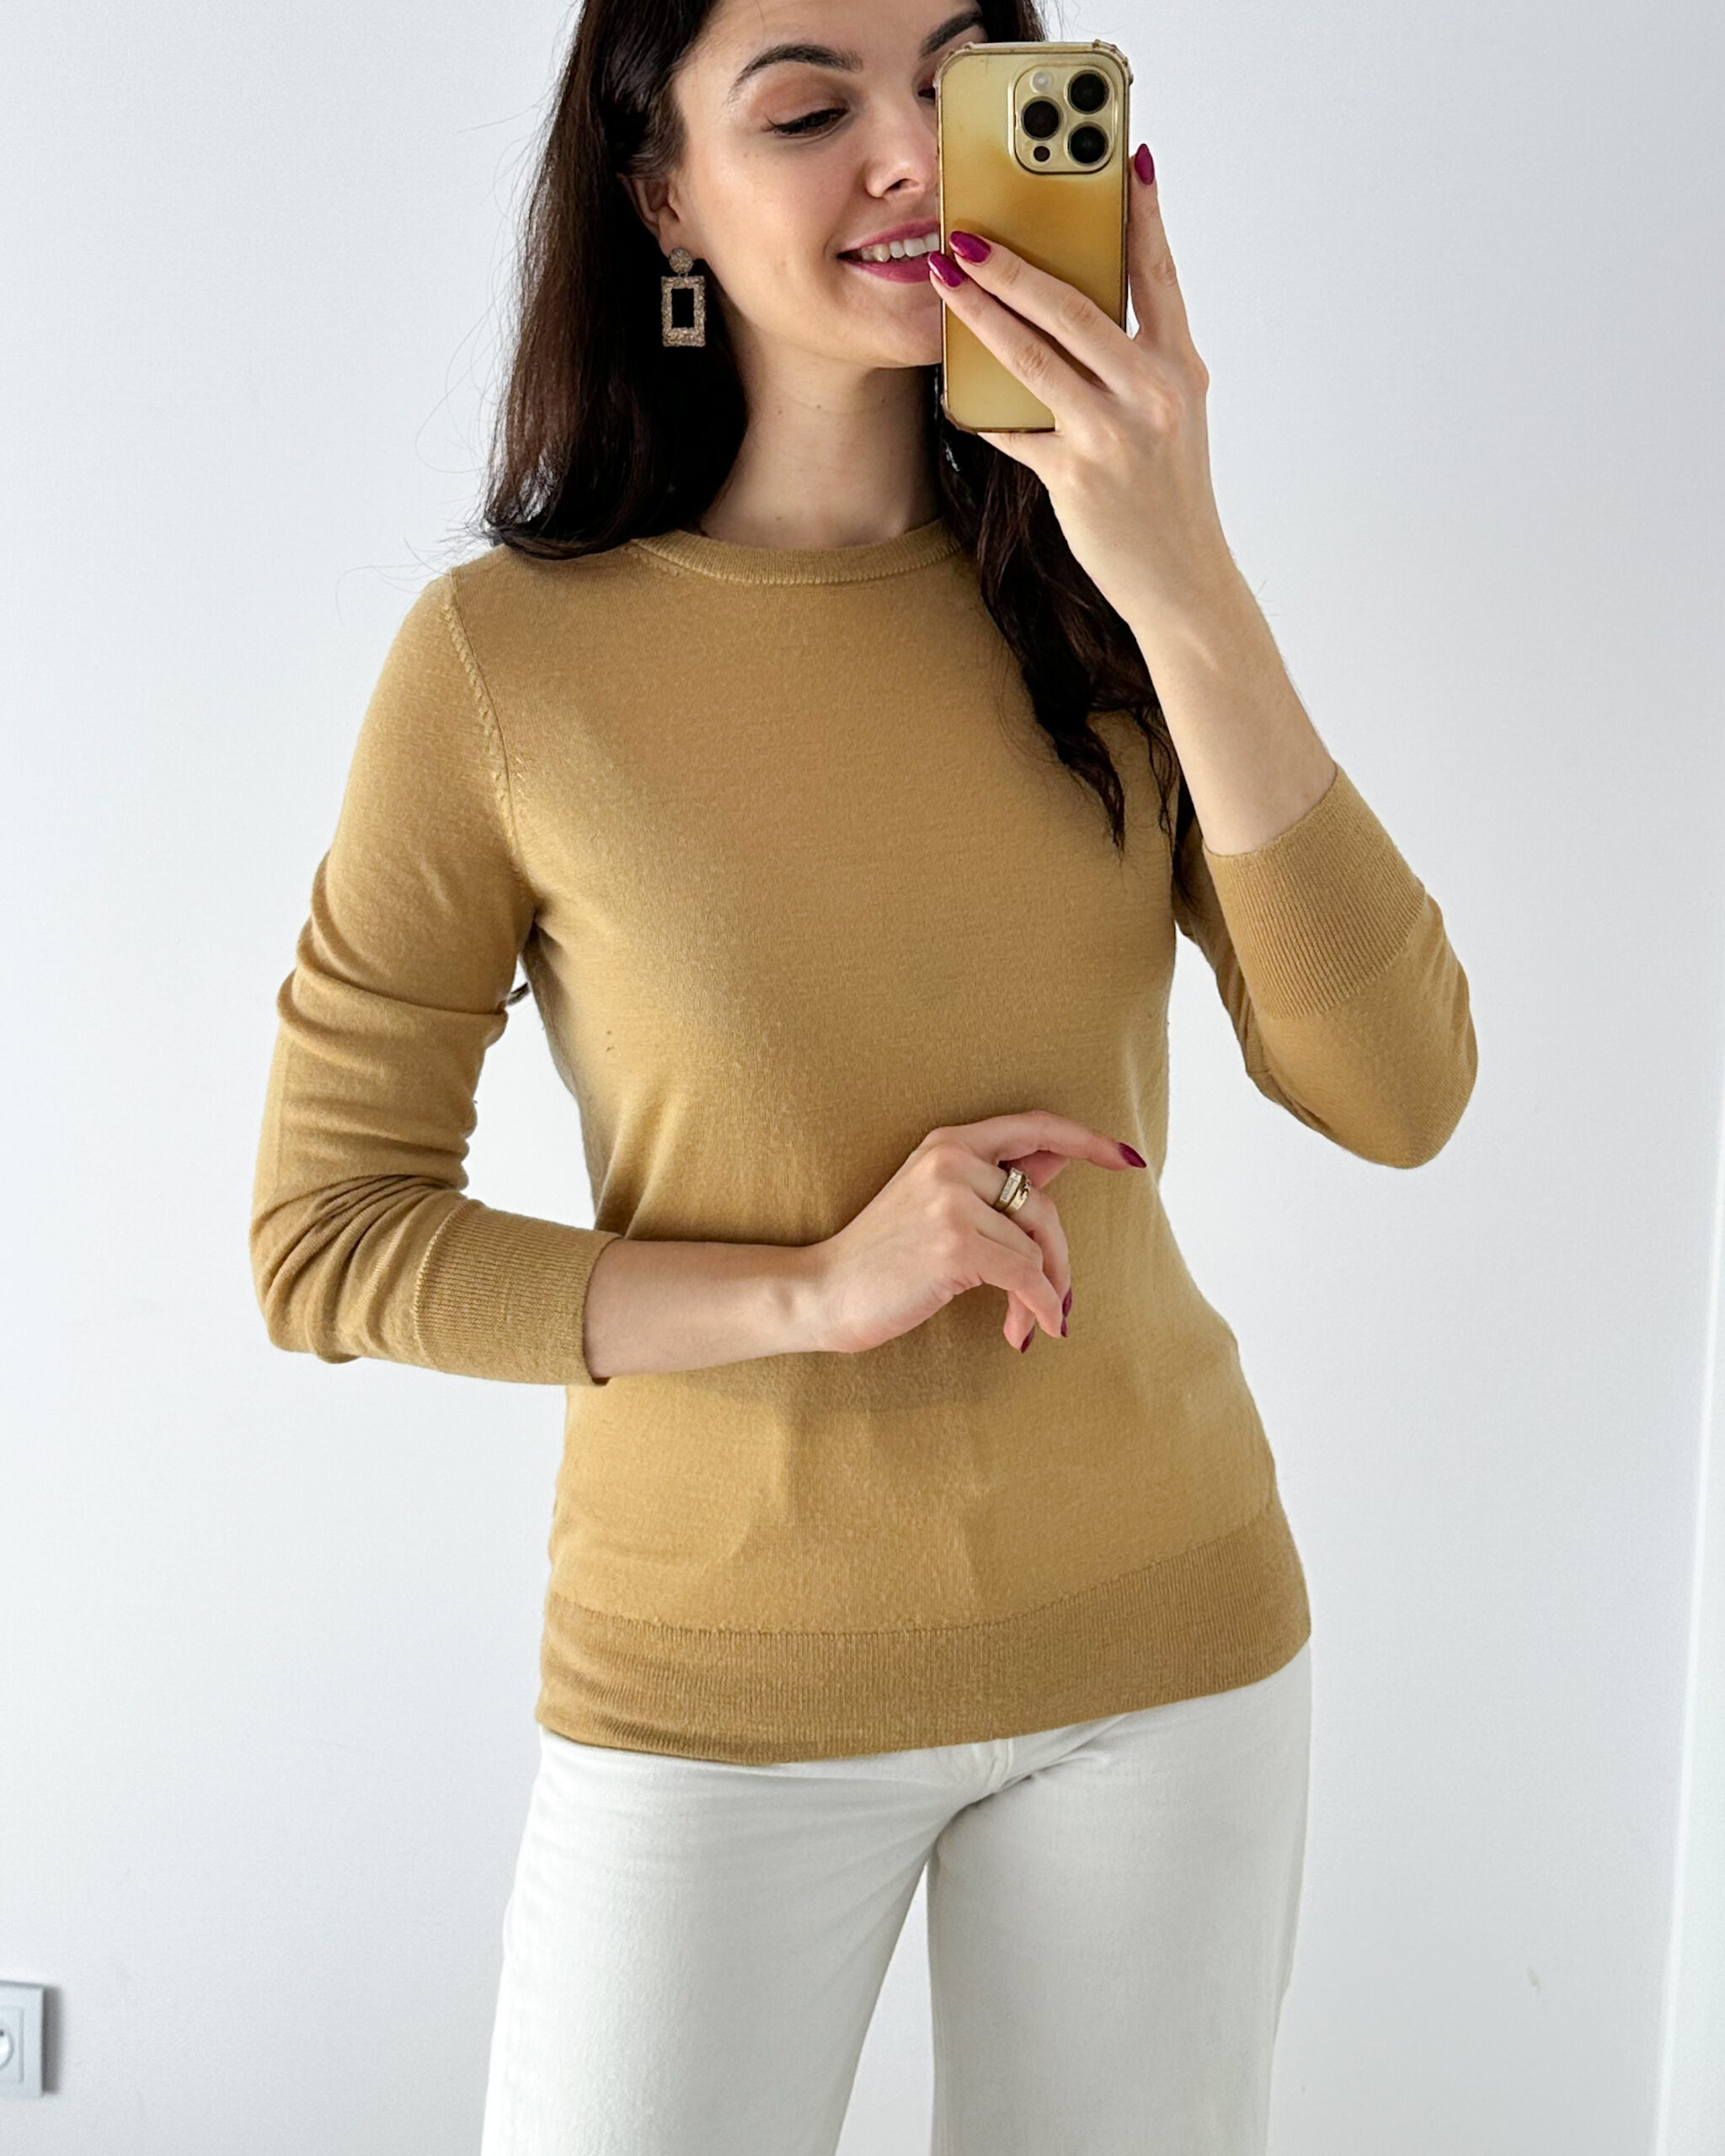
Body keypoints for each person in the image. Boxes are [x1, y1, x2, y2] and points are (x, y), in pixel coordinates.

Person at [248, 0, 1477, 2148]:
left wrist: (1184, 575)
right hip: (710, 1687)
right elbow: (330, 1240)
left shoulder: (1106, 603)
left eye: (958, 75)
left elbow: (1399, 1088)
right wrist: (812, 1287)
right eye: (811, 105)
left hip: (1166, 1646)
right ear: (662, 198)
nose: (911, 151)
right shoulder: (505, 668)